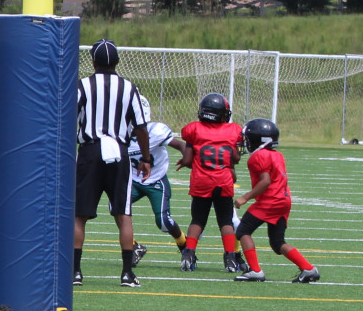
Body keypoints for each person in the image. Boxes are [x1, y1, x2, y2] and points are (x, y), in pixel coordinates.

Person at [74, 39, 152, 288]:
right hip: (119, 151)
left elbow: (67, 118)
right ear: (117, 61)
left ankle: (75, 272)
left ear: (93, 62)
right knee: (123, 214)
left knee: (79, 216)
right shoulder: (129, 88)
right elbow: (140, 127)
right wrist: (147, 159)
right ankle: (127, 273)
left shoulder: (83, 86)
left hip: (90, 150)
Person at [232, 118, 320, 283]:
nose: (245, 142)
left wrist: (245, 198)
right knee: (277, 242)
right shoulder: (277, 155)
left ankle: (255, 271)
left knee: (243, 231)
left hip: (269, 202)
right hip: (283, 200)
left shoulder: (257, 157)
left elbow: (265, 181)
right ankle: (308, 269)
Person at [178, 93, 244, 273]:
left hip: (201, 181)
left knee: (198, 220)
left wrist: (185, 162)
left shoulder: (193, 129)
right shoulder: (233, 130)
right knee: (226, 221)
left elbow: (189, 158)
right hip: (223, 181)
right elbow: (235, 158)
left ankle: (188, 254)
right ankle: (230, 257)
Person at [127, 95, 190, 267]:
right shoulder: (120, 134)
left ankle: (185, 246)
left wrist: (187, 158)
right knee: (116, 207)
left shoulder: (156, 131)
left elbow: (181, 145)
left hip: (156, 180)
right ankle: (134, 247)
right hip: (133, 180)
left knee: (163, 222)